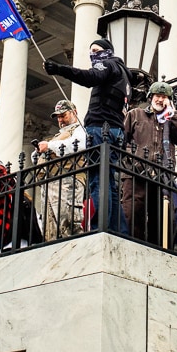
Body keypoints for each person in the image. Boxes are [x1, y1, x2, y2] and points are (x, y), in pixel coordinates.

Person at [44, 38, 131, 234]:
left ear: (107, 51)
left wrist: (59, 69)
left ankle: (101, 228)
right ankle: (119, 230)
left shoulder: (108, 64)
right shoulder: (124, 73)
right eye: (91, 51)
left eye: (96, 50)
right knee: (111, 184)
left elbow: (89, 77)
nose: (93, 54)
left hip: (100, 128)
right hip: (115, 130)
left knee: (99, 180)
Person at [122, 81, 177, 244]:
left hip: (161, 176)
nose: (160, 100)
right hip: (135, 173)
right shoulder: (135, 114)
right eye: (158, 96)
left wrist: (172, 113)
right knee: (132, 213)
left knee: (159, 218)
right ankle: (131, 246)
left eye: (165, 97)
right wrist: (133, 158)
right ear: (150, 97)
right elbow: (122, 141)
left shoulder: (170, 120)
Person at [32, 100, 87, 241]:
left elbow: (79, 145)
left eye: (63, 115)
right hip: (49, 181)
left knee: (68, 221)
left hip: (68, 179)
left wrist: (50, 146)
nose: (60, 120)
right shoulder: (58, 136)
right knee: (50, 228)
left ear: (74, 113)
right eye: (58, 117)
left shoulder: (80, 129)